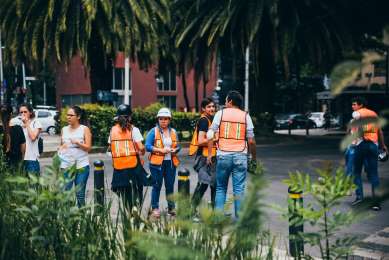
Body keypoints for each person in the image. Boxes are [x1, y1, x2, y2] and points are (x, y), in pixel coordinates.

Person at [206, 90, 257, 219]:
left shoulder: (220, 114)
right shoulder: (246, 116)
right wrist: (253, 159)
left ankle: (217, 219)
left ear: (230, 101)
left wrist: (210, 154)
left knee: (221, 188)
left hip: (223, 155)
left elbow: (210, 134)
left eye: (225, 101)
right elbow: (251, 141)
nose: (224, 103)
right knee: (239, 190)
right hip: (240, 156)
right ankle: (239, 221)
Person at [351, 97, 387, 210]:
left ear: (361, 105)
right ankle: (376, 203)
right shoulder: (374, 114)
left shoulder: (357, 113)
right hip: (373, 146)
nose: (353, 106)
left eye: (354, 104)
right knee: (374, 174)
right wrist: (383, 145)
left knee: (356, 171)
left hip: (361, 145)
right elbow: (380, 132)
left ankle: (359, 197)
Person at [108, 104, 145, 211]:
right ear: (130, 117)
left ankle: (129, 212)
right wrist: (142, 151)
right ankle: (135, 213)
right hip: (133, 167)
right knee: (137, 192)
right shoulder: (134, 130)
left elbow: (111, 148)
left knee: (123, 193)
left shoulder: (112, 130)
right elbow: (141, 147)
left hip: (119, 169)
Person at [145, 108, 181, 218]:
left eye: (166, 119)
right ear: (158, 119)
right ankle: (154, 208)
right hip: (156, 164)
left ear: (169, 120)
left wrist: (175, 150)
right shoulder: (153, 131)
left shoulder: (173, 132)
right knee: (156, 186)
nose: (163, 121)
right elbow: (147, 146)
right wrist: (161, 150)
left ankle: (171, 208)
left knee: (170, 186)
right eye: (161, 119)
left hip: (170, 163)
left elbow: (178, 146)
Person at [58, 106, 92, 207]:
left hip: (81, 166)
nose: (68, 117)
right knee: (66, 194)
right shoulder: (64, 129)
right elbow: (61, 145)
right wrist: (60, 149)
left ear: (78, 117)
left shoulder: (84, 129)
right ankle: (68, 219)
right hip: (66, 166)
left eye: (71, 115)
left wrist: (78, 143)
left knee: (80, 194)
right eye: (67, 115)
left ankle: (81, 219)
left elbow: (88, 148)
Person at [189, 98, 217, 215]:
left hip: (212, 156)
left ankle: (213, 211)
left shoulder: (211, 120)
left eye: (213, 106)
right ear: (203, 109)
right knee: (204, 184)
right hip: (204, 157)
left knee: (214, 185)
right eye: (209, 107)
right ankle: (192, 210)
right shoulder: (204, 121)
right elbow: (200, 141)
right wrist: (215, 140)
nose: (212, 109)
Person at [19, 103, 42, 174]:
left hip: (32, 158)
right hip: (22, 159)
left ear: (30, 112)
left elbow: (33, 137)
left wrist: (27, 124)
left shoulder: (36, 123)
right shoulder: (20, 124)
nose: (23, 114)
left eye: (25, 112)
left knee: (33, 184)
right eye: (21, 112)